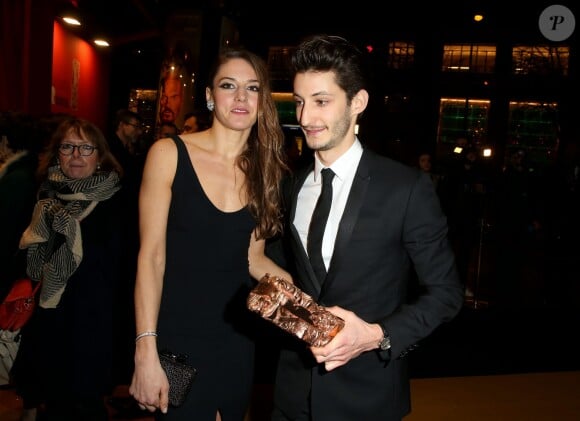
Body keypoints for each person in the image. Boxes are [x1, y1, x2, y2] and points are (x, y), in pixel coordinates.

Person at [270, 35, 464, 421]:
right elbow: (286, 278)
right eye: (300, 102)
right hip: (293, 397)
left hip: (368, 399)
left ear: (357, 103)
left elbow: (446, 294)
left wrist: (375, 335)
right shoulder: (290, 186)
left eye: (322, 101)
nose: (306, 117)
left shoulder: (405, 188)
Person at [129, 47, 291, 420]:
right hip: (176, 337)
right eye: (228, 85)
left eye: (252, 89)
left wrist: (310, 300)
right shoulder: (168, 154)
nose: (240, 97)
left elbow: (252, 258)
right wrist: (145, 350)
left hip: (236, 338)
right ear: (209, 96)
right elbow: (151, 258)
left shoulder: (265, 171)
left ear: (262, 101)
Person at [11, 117, 128, 421]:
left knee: (86, 407)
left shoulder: (119, 203)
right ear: (56, 154)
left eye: (85, 148)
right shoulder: (44, 197)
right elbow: (28, 263)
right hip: (51, 323)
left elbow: (125, 273)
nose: (76, 155)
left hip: (95, 327)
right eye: (67, 146)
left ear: (100, 155)